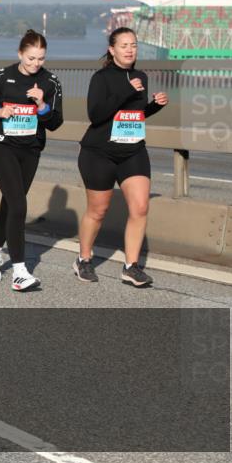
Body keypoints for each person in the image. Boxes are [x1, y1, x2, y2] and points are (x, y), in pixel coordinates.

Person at [0, 29, 63, 291]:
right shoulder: (3, 76)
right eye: (31, 58)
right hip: (2, 145)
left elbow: (56, 121)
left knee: (11, 204)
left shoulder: (50, 82)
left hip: (30, 148)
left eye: (41, 59)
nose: (35, 64)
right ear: (20, 53)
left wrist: (42, 106)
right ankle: (20, 272)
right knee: (19, 205)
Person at [75, 27, 167, 287]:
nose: (129, 50)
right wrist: (126, 90)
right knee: (98, 211)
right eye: (124, 45)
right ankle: (83, 259)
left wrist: (154, 106)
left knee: (140, 207)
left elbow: (133, 115)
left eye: (133, 45)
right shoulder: (101, 78)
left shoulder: (140, 76)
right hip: (99, 152)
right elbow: (97, 115)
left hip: (132, 151)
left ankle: (131, 267)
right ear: (112, 50)